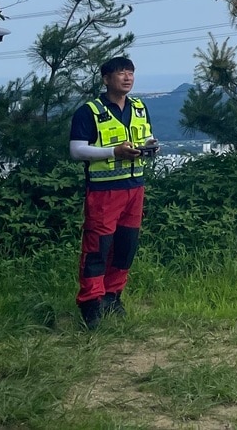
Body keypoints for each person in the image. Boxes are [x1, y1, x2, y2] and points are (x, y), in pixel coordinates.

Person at [68, 56, 158, 329]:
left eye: (131, 72)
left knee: (125, 247)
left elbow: (146, 137)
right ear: (106, 79)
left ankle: (112, 296)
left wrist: (151, 146)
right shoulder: (89, 111)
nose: (127, 77)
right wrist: (113, 151)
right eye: (121, 73)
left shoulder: (140, 108)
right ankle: (91, 303)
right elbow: (76, 150)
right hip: (104, 191)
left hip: (134, 188)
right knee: (97, 248)